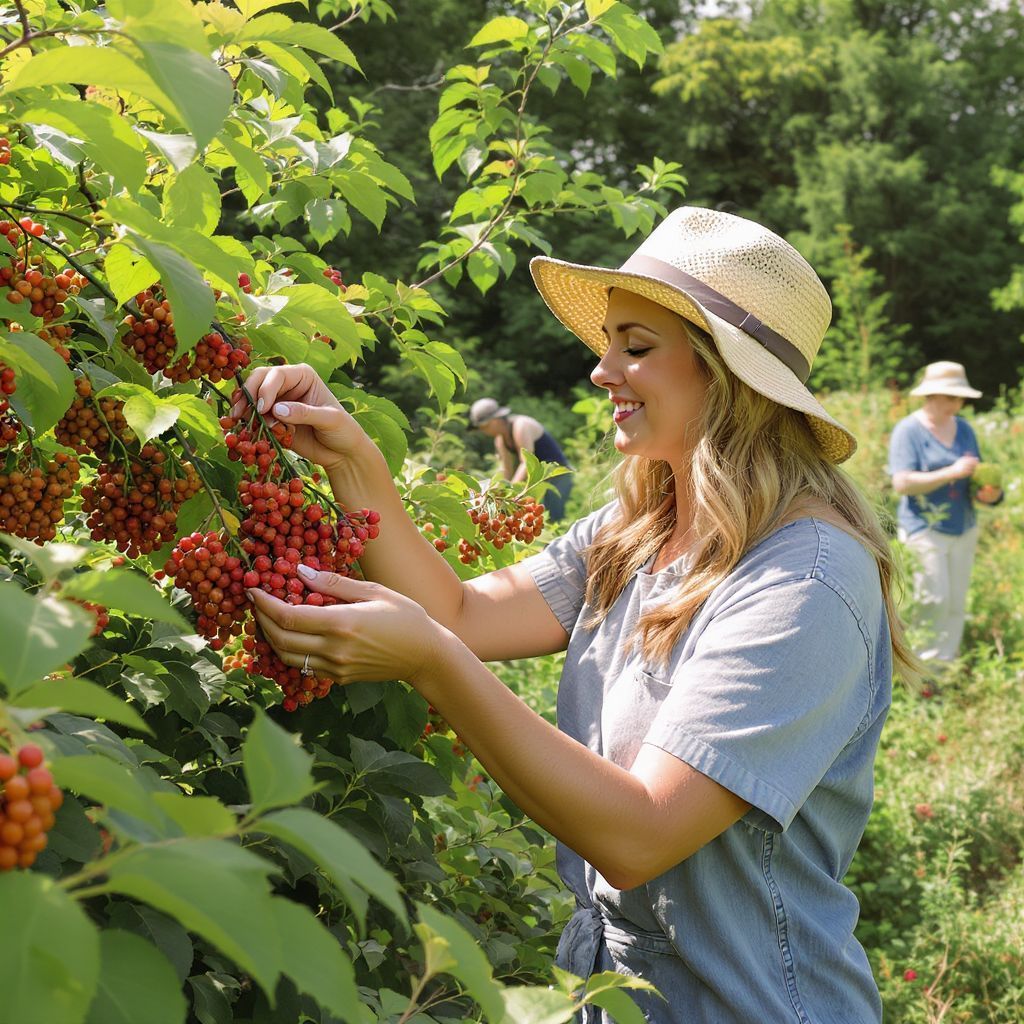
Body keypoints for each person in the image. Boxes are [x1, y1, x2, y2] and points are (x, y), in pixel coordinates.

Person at [237, 206, 918, 1023]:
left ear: (725, 374)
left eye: (635, 347)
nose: (601, 371)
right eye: (607, 344)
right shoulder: (635, 532)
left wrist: (430, 664)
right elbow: (458, 611)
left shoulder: (805, 580)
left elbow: (640, 835)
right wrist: (355, 462)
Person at [888, 361, 1003, 665]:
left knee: (955, 601)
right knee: (933, 599)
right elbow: (902, 483)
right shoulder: (909, 431)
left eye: (960, 397)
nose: (959, 403)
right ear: (932, 396)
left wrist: (990, 495)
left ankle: (945, 667)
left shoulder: (964, 428)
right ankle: (922, 668)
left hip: (963, 525)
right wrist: (950, 471)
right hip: (925, 527)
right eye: (952, 397)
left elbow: (977, 477)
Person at [468, 396, 573, 522]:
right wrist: (494, 493)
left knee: (554, 516)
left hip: (557, 474)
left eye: (484, 427)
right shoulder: (500, 439)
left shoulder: (521, 425)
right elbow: (506, 470)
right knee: (538, 517)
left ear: (495, 420)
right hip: (539, 479)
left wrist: (512, 494)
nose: (483, 431)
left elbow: (526, 463)